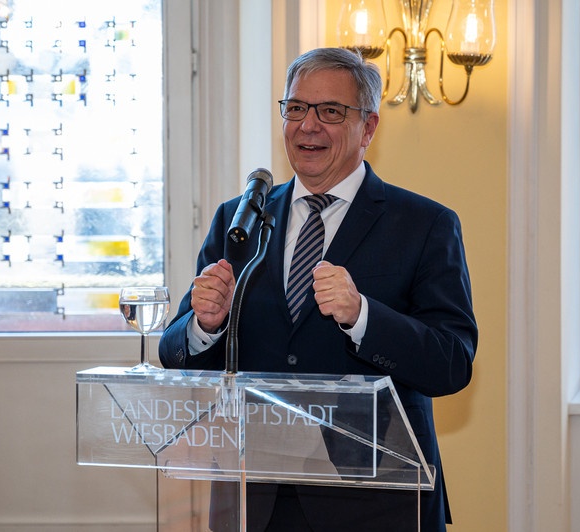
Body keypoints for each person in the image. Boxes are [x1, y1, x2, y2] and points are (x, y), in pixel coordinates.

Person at [159, 47, 477, 532]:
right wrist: (204, 325)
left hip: (373, 502)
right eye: (296, 108)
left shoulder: (425, 225)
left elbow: (452, 362)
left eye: (330, 112)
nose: (309, 126)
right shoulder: (239, 219)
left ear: (368, 127)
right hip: (254, 498)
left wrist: (362, 316)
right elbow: (176, 351)